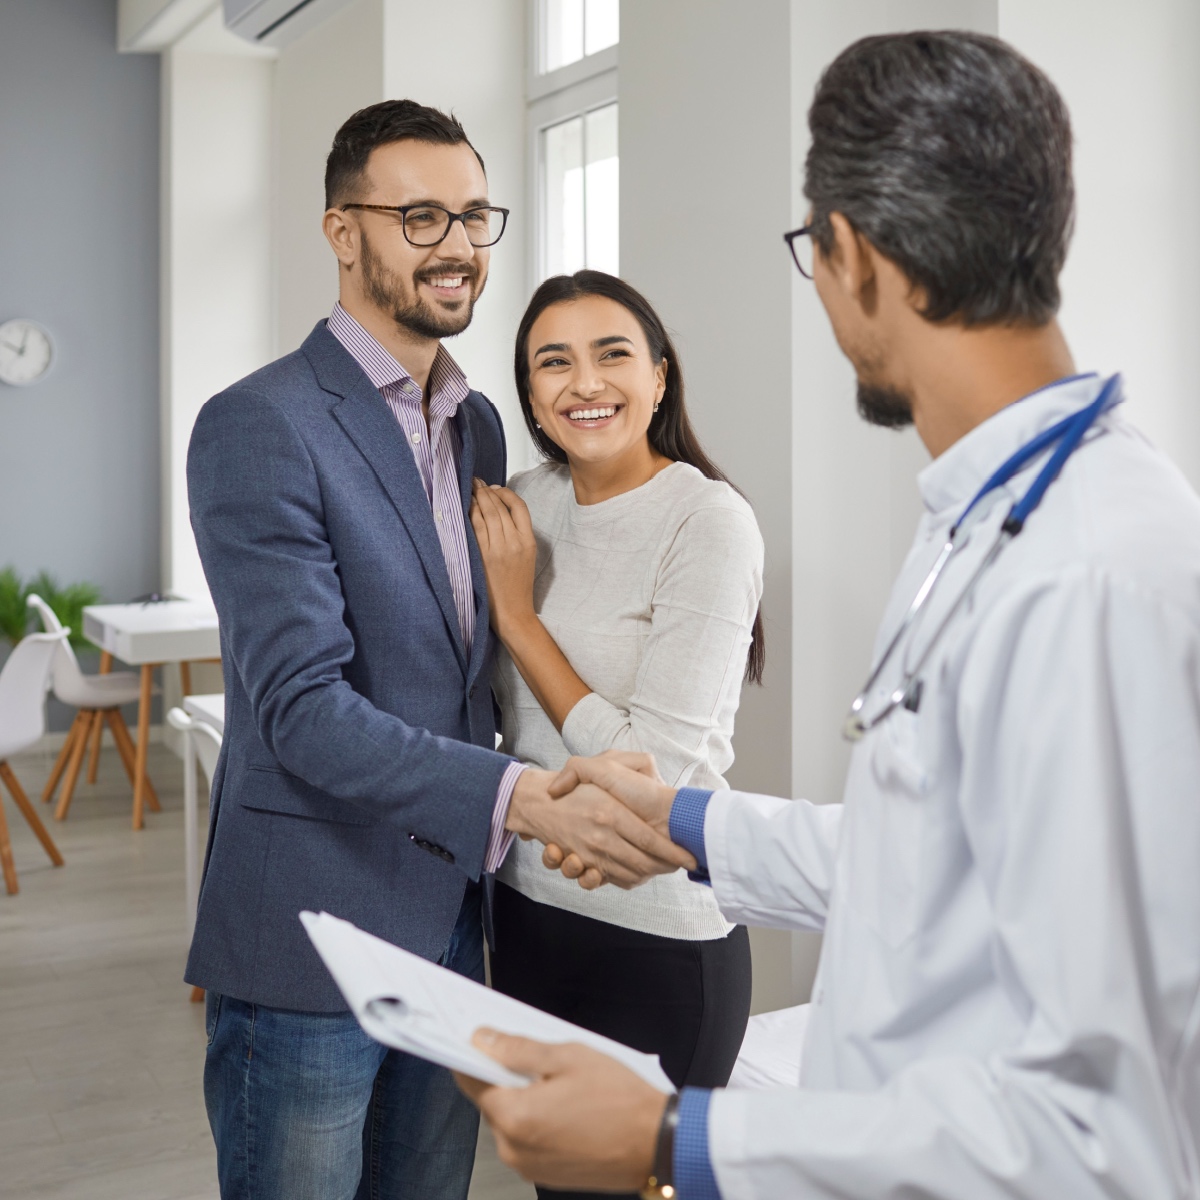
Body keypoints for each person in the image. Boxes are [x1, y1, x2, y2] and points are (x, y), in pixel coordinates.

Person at [456, 31, 1200, 1199]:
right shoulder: (989, 517)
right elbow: (928, 854)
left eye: (812, 249)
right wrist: (688, 821)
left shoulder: (1084, 574)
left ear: (852, 254)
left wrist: (674, 1142)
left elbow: (1098, 1130)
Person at [185, 99, 691, 1200]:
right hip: (310, 930)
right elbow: (301, 710)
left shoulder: (482, 427)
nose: (457, 244)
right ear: (341, 231)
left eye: (473, 215)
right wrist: (527, 797)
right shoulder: (261, 422)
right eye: (419, 217)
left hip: (455, 923)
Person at [468, 271, 764, 1199]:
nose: (584, 382)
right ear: (530, 398)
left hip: (660, 941)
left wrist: (521, 621)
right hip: (524, 910)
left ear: (661, 377)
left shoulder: (707, 519)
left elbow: (657, 768)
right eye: (553, 362)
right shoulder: (522, 501)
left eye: (613, 355)